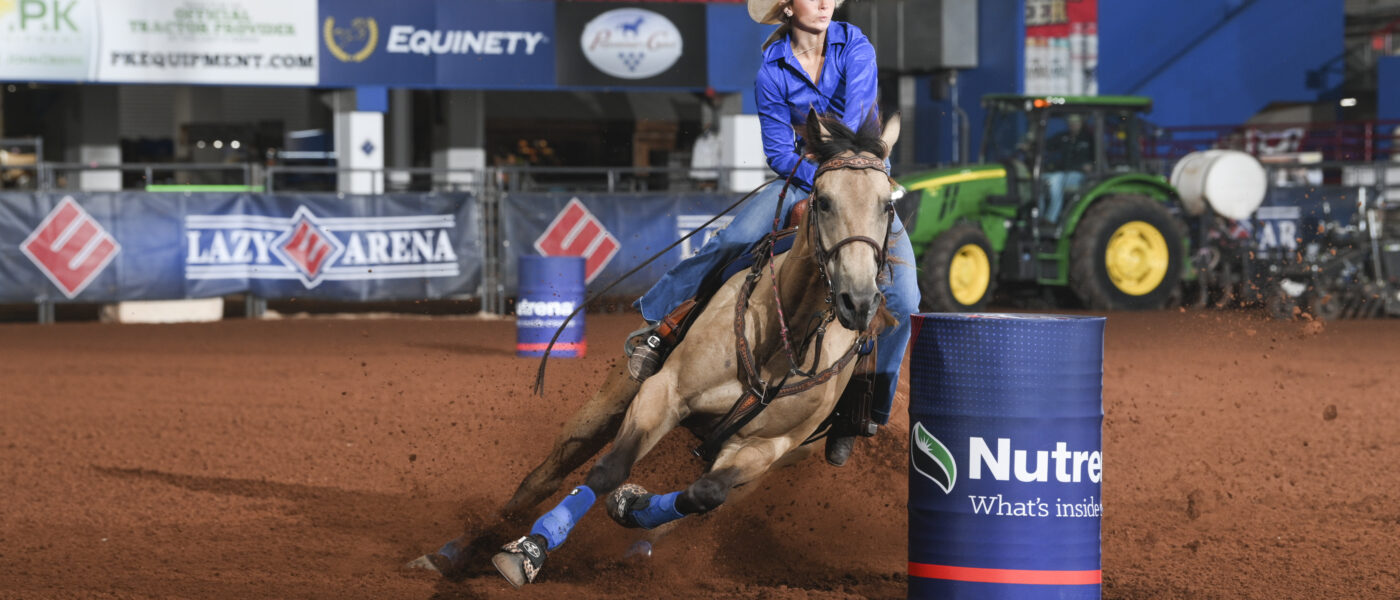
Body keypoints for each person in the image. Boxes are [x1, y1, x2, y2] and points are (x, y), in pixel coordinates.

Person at [629, 0, 919, 467]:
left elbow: (859, 122)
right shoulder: (772, 72)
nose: (826, 3)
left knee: (905, 298)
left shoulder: (855, 47)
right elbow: (779, 152)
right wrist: (818, 180)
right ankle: (659, 326)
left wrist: (837, 176)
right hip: (805, 179)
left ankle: (864, 409)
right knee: (731, 240)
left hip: (861, 184)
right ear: (786, 6)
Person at [1041, 113, 1095, 222]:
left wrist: (1091, 165)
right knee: (1039, 179)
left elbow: (1097, 157)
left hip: (1079, 175)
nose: (1073, 125)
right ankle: (1039, 215)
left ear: (1081, 123)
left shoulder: (1088, 138)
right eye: (1070, 123)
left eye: (1075, 123)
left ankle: (1050, 219)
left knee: (1056, 180)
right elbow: (1046, 145)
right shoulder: (1063, 137)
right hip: (1062, 172)